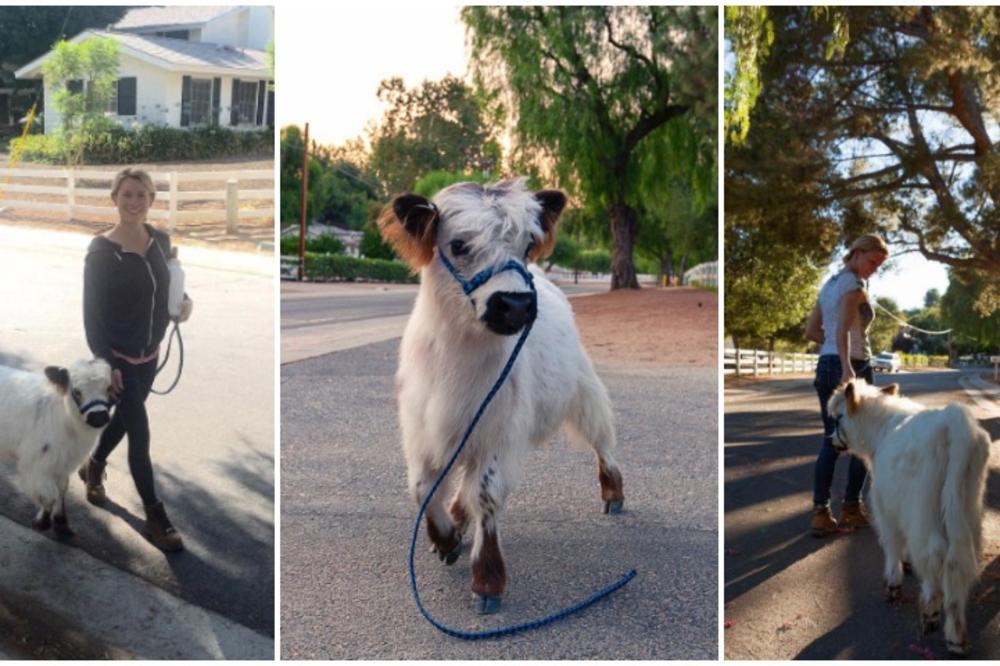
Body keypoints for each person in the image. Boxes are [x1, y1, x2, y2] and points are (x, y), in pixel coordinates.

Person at [79, 167, 192, 552]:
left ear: (151, 201)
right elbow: (92, 316)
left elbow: (169, 287)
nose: (133, 203)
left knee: (125, 421)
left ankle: (93, 465)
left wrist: (183, 305)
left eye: (141, 195)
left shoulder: (160, 240)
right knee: (139, 432)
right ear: (114, 198)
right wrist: (107, 363)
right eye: (126, 195)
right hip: (119, 357)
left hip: (150, 354)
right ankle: (155, 515)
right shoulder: (100, 253)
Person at [804, 234, 889, 537]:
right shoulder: (854, 284)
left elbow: (812, 331)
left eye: (879, 265)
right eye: (872, 261)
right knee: (863, 441)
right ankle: (851, 507)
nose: (874, 268)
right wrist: (847, 366)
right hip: (852, 367)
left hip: (826, 364)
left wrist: (831, 351)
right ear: (857, 253)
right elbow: (843, 330)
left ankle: (820, 513)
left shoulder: (828, 285)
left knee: (831, 440)